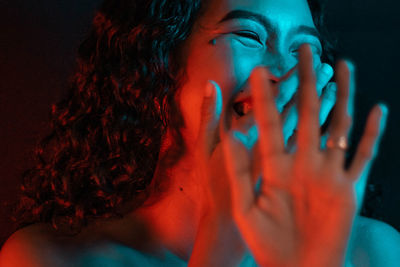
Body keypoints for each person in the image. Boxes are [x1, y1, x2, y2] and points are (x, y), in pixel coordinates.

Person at [1, 0, 400, 266]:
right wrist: (222, 239)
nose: (284, 69)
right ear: (159, 64)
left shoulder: (374, 251)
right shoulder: (48, 258)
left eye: (305, 50)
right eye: (248, 35)